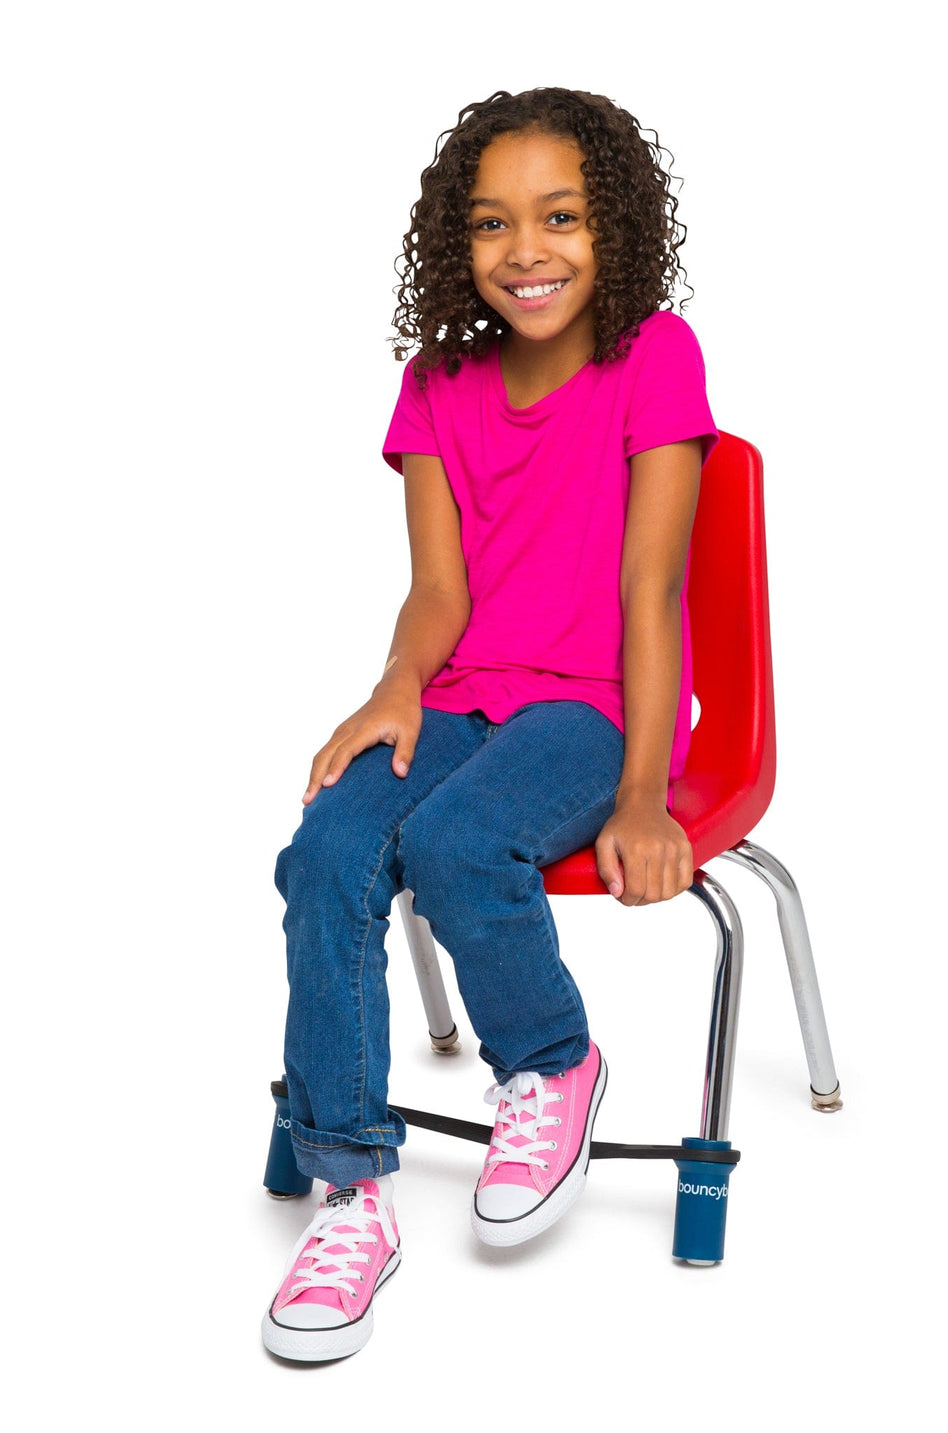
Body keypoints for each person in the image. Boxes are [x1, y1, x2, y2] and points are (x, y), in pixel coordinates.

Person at [262, 86, 718, 1362]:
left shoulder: (656, 355)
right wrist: (395, 687)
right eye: (493, 223)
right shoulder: (438, 382)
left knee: (461, 843)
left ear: (613, 224)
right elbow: (439, 592)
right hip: (462, 693)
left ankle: (552, 1060)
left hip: (593, 708)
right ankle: (352, 1190)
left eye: (562, 216)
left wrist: (642, 792)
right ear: (451, 242)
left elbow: (649, 590)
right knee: (329, 853)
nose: (528, 249)